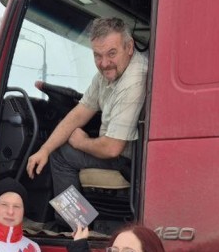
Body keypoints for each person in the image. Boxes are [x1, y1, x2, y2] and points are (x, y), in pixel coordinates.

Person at [25, 17, 148, 220]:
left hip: (132, 159)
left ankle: (74, 225)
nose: (104, 63)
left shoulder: (133, 80)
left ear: (129, 47)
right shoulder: (107, 74)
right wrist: (43, 150)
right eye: (97, 55)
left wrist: (81, 142)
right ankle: (78, 223)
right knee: (53, 149)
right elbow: (79, 114)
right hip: (121, 150)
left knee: (61, 155)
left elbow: (112, 148)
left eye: (111, 53)